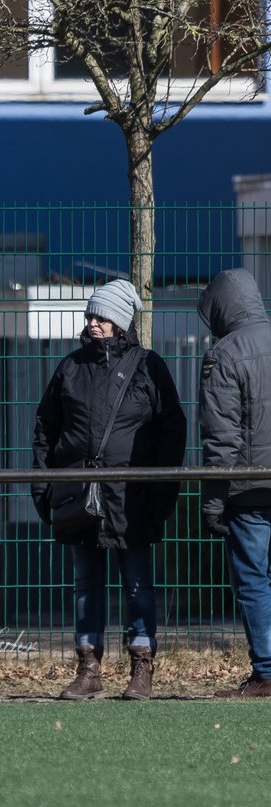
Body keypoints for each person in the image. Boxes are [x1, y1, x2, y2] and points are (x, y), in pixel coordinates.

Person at [33, 280, 185, 701]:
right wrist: (46, 490)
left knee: (138, 582)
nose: (93, 323)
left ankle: (142, 664)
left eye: (102, 317)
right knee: (86, 583)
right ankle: (88, 666)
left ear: (121, 322)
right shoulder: (70, 368)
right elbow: (45, 429)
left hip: (131, 499)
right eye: (91, 316)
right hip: (79, 495)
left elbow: (171, 431)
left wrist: (161, 495)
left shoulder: (148, 367)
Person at [197, 268, 271, 698]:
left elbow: (221, 438)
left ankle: (265, 671)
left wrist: (212, 503)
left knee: (254, 580)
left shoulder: (224, 355)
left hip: (247, 490)